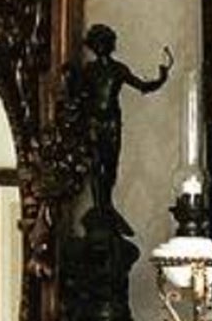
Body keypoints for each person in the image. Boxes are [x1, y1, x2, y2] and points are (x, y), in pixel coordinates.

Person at [70, 24, 172, 219]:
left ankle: (106, 203)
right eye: (98, 42)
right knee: (95, 164)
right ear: (93, 45)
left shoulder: (118, 69)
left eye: (105, 42)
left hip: (112, 122)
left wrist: (161, 78)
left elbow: (142, 85)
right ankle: (100, 207)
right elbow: (77, 94)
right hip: (93, 122)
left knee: (110, 164)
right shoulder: (89, 70)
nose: (102, 46)